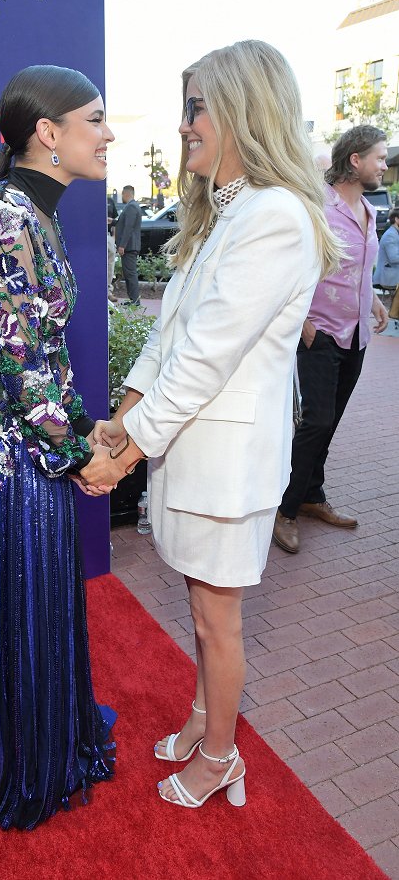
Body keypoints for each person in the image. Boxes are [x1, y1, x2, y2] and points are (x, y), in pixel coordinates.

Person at [81, 40, 342, 810]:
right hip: (195, 449)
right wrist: (121, 416)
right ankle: (203, 719)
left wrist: (124, 455)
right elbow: (167, 339)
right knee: (201, 608)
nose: (186, 124)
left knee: (215, 618)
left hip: (226, 461)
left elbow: (204, 356)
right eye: (185, 107)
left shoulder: (273, 217)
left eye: (196, 108)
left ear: (238, 112)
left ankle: (221, 755)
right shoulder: (223, 213)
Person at [0, 65, 117, 830]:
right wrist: (80, 454)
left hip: (28, 436)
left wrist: (82, 431)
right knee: (22, 595)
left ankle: (41, 734)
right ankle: (25, 757)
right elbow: (18, 363)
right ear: (47, 133)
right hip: (5, 448)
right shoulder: (5, 219)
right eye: (95, 119)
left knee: (37, 595)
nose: (108, 134)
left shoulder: (31, 212)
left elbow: (43, 353)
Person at [273, 125, 389, 554]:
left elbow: (356, 270)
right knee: (315, 421)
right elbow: (291, 262)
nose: (383, 164)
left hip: (356, 332)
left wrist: (374, 300)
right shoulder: (317, 206)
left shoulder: (370, 210)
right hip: (319, 332)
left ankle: (311, 495)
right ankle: (283, 511)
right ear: (355, 159)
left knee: (331, 420)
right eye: (378, 157)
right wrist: (301, 319)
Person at [115, 184, 142, 304]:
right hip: (130, 246)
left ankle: (135, 300)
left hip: (129, 246)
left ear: (126, 194)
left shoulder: (131, 207)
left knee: (130, 274)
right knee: (129, 273)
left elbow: (128, 227)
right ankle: (133, 299)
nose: (122, 196)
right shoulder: (133, 206)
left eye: (122, 194)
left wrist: (122, 245)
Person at [374, 208, 399, 291]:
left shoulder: (395, 233)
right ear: (396, 219)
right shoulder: (391, 235)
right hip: (389, 278)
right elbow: (394, 258)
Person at [107, 194, 118, 296]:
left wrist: (114, 237)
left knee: (110, 264)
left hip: (108, 235)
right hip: (95, 236)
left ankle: (109, 291)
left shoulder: (109, 201)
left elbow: (115, 219)